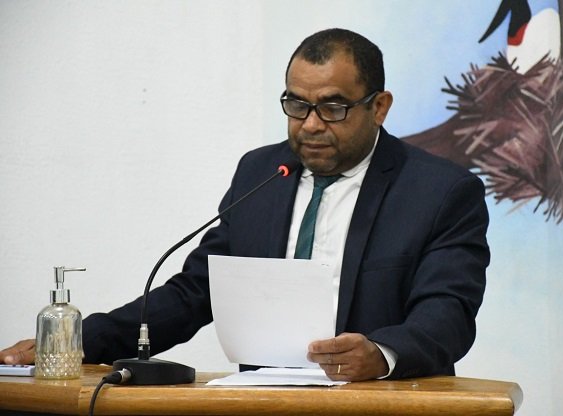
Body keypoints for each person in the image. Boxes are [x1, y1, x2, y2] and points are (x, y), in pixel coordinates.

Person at [0, 28, 489, 382]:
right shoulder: (262, 173)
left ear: (378, 107)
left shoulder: (439, 192)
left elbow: (448, 312)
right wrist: (79, 342)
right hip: (264, 401)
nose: (311, 124)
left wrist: (382, 354)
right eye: (296, 105)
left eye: (332, 107)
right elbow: (195, 293)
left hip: (383, 402)